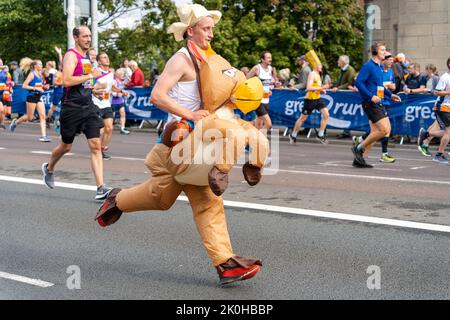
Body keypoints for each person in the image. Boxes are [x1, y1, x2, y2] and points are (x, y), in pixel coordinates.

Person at [95, 4, 262, 285]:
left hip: (199, 144)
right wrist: (190, 114)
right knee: (200, 201)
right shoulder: (181, 60)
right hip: (177, 143)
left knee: (171, 199)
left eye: (212, 28)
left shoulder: (207, 60)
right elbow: (157, 96)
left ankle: (117, 200)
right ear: (191, 31)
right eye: (206, 29)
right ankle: (225, 264)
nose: (211, 34)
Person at [41, 25, 112, 200]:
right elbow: (66, 81)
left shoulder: (87, 57)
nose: (88, 39)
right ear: (76, 37)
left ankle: (100, 188)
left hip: (88, 107)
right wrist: (90, 76)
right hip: (71, 108)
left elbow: (83, 83)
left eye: (89, 36)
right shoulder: (71, 56)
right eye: (85, 36)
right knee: (66, 146)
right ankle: (49, 168)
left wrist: (92, 90)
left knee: (95, 146)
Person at [352, 42, 401, 168]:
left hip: (378, 102)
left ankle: (359, 159)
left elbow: (379, 87)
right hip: (370, 103)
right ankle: (359, 147)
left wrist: (390, 95)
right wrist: (370, 96)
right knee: (384, 130)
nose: (385, 52)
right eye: (382, 50)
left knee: (376, 132)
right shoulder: (369, 66)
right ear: (375, 52)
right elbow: (358, 83)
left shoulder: (379, 67)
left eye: (385, 50)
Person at [93, 52, 129, 160]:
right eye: (104, 58)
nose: (107, 59)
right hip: (95, 104)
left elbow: (112, 87)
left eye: (107, 57)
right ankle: (94, 148)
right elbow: (88, 87)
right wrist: (97, 89)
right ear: (99, 61)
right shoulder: (95, 72)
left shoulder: (109, 73)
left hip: (106, 104)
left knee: (109, 128)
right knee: (99, 130)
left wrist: (121, 90)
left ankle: (101, 150)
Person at [9, 59, 51, 142]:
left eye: (42, 64)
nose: (41, 65)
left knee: (42, 116)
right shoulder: (32, 74)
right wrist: (34, 88)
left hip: (39, 97)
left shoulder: (40, 74)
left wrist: (45, 87)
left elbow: (40, 85)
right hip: (31, 97)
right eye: (40, 64)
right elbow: (24, 86)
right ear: (35, 66)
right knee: (30, 117)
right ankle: (15, 122)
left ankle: (44, 136)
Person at [289, 61, 330, 144]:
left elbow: (316, 88)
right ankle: (293, 135)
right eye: (319, 65)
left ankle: (320, 135)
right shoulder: (312, 74)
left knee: (326, 114)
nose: (321, 66)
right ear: (315, 66)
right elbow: (308, 87)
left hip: (317, 98)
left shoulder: (318, 75)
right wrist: (321, 88)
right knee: (302, 118)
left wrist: (322, 90)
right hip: (310, 99)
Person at [420, 57, 450, 163]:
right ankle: (439, 155)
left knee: (448, 132)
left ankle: (427, 134)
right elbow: (437, 92)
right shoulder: (445, 77)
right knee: (448, 131)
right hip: (442, 107)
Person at [246, 51, 278, 131]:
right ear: (262, 59)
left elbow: (268, 83)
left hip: (266, 100)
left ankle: (251, 140)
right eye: (268, 58)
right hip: (258, 100)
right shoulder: (257, 68)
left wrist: (271, 88)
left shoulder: (271, 69)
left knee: (259, 124)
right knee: (268, 124)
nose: (270, 59)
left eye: (270, 57)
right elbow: (246, 80)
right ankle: (259, 140)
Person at [331, 55, 356, 139]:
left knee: (347, 114)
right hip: (344, 95)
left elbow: (349, 83)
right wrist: (331, 85)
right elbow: (340, 82)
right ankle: (345, 131)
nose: (337, 62)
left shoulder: (350, 70)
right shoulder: (344, 70)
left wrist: (338, 88)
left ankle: (346, 132)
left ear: (343, 62)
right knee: (344, 113)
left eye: (339, 60)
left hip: (348, 96)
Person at [111, 69, 130, 135]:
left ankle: (122, 128)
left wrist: (126, 94)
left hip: (120, 101)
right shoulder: (114, 81)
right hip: (113, 102)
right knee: (112, 117)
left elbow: (122, 90)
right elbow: (112, 91)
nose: (123, 76)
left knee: (123, 114)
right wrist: (116, 94)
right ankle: (108, 128)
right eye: (122, 74)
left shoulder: (122, 82)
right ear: (118, 75)